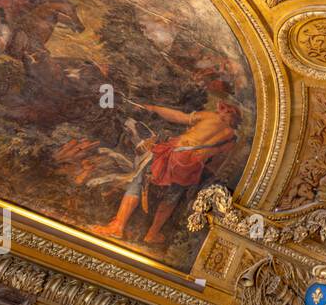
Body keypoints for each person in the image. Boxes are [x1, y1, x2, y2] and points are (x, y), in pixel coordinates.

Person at [92, 100, 241, 246]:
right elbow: (215, 162)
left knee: (138, 181)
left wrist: (154, 108)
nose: (220, 111)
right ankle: (152, 233)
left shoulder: (210, 117)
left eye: (223, 109)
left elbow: (179, 117)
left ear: (226, 111)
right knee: (172, 196)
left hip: (174, 151)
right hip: (192, 164)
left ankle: (118, 225)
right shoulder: (231, 138)